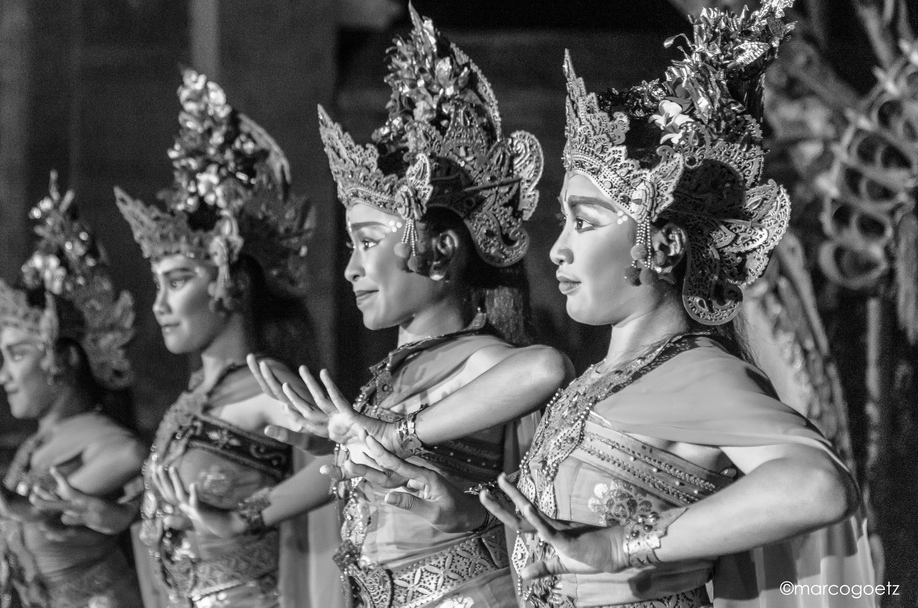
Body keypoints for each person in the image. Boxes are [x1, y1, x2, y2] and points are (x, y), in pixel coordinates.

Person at [344, 2, 877, 607]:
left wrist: (627, 546)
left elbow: (819, 486)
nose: (559, 252)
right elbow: (561, 556)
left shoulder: (695, 372)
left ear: (662, 244)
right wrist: (463, 513)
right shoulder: (600, 381)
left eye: (584, 223)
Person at [258, 7, 572, 607]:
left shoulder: (480, 356)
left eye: (370, 241)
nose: (352, 266)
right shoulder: (396, 374)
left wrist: (394, 434)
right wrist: (336, 449)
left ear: (441, 250)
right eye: (352, 245)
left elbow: (545, 370)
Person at [112, 69, 336, 608]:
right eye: (157, 284)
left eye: (178, 281)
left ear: (230, 282)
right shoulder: (194, 398)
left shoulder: (264, 383)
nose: (160, 304)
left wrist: (244, 516)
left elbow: (346, 461)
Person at [0, 173, 146, 608]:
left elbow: (131, 456)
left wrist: (35, 509)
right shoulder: (38, 444)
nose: (3, 376)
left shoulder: (99, 436)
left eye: (16, 355)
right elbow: (27, 522)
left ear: (62, 360)